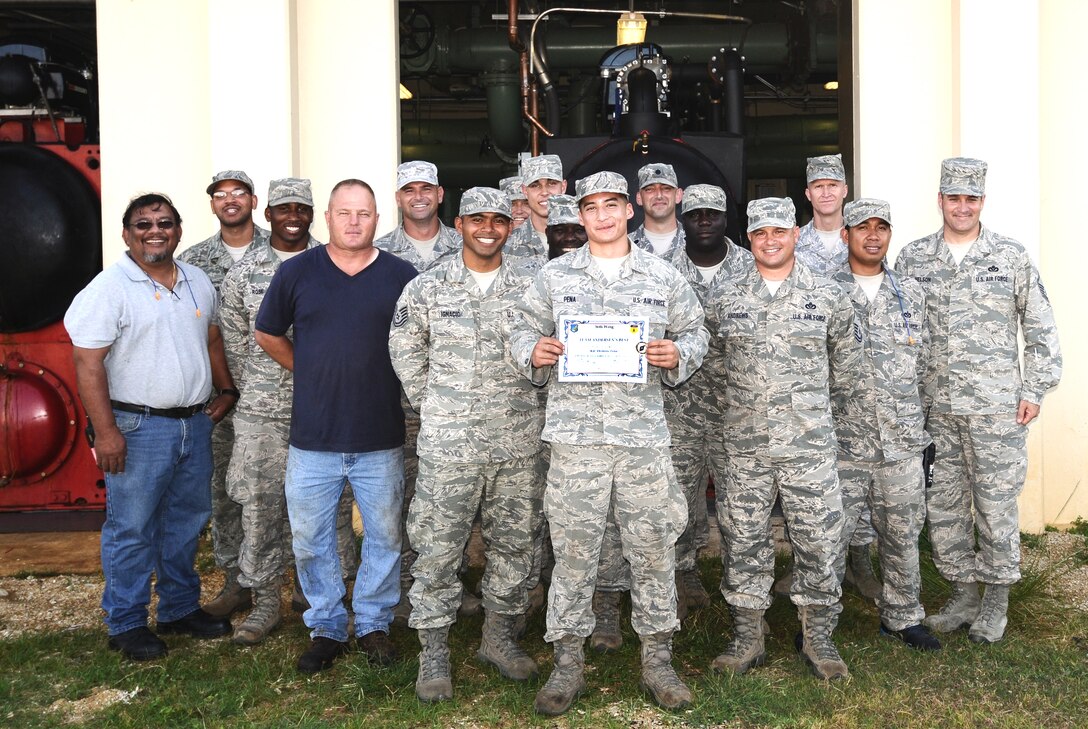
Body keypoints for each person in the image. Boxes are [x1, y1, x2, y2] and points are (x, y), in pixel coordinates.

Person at [511, 171, 708, 715]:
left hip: (642, 440)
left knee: (652, 550)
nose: (600, 215)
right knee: (573, 554)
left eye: (611, 205)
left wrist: (679, 356)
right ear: (580, 215)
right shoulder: (554, 277)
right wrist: (535, 350)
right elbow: (520, 329)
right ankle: (566, 665)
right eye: (590, 206)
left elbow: (696, 331)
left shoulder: (662, 277)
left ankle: (658, 662)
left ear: (629, 211)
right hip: (577, 443)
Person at [65, 193, 238, 661]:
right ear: (127, 234)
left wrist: (226, 392)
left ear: (179, 230)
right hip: (136, 428)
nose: (154, 231)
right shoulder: (109, 288)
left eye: (164, 222)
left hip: (192, 424)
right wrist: (107, 433)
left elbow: (212, 337)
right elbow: (87, 363)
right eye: (143, 224)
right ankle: (125, 622)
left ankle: (180, 608)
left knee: (185, 524)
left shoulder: (197, 280)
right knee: (133, 528)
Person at [895, 158, 1062, 644]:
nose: (962, 207)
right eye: (954, 197)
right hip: (934, 412)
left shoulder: (1008, 256)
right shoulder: (914, 259)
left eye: (971, 199)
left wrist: (1034, 389)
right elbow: (898, 333)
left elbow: (1040, 328)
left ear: (982, 203)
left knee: (995, 507)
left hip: (995, 410)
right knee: (944, 507)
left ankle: (995, 602)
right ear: (940, 201)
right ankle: (964, 592)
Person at [255, 179, 418, 673]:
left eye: (363, 213)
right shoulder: (297, 273)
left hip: (379, 436)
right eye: (344, 212)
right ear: (327, 216)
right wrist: (309, 368)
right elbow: (267, 332)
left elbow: (418, 339)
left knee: (386, 537)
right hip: (314, 438)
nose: (353, 222)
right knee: (311, 538)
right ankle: (326, 626)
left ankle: (372, 623)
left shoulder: (402, 275)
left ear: (376, 218)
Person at [389, 187, 545, 702]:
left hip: (517, 444)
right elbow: (405, 350)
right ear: (459, 224)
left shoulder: (533, 287)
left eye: (498, 220)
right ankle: (433, 652)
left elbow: (551, 352)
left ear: (509, 226)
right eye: (476, 219)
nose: (487, 228)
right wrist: (436, 406)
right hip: (449, 447)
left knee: (515, 545)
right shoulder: (427, 288)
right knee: (436, 549)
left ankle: (497, 639)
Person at [712, 197, 860, 681]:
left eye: (779, 231)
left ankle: (818, 637)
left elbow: (848, 369)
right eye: (760, 233)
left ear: (796, 234)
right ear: (749, 238)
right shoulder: (726, 298)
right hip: (746, 449)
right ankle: (748, 636)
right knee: (743, 541)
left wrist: (816, 418)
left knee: (819, 541)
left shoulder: (829, 294)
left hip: (809, 449)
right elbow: (712, 368)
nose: (770, 240)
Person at [218, 178, 356, 644]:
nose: (292, 215)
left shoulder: (334, 262)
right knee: (261, 505)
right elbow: (237, 340)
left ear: (314, 213)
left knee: (331, 510)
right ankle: (263, 603)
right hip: (264, 412)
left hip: (327, 408)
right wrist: (263, 384)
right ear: (268, 212)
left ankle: (323, 597)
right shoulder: (245, 272)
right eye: (283, 208)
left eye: (302, 207)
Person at [829, 198, 940, 651]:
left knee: (901, 533)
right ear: (845, 235)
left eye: (881, 227)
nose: (872, 235)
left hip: (901, 441)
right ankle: (820, 620)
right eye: (862, 228)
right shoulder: (822, 292)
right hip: (842, 442)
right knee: (829, 537)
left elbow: (927, 364)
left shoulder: (911, 293)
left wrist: (921, 428)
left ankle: (902, 616)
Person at [784, 153, 882, 602]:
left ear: (845, 190)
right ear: (808, 194)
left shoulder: (863, 236)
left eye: (833, 184)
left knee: (856, 464)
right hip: (801, 379)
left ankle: (858, 561)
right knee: (808, 476)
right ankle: (805, 562)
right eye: (817, 185)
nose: (825, 192)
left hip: (854, 374)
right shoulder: (788, 240)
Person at [178, 170, 270, 619]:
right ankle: (238, 582)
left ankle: (292, 581)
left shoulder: (292, 251)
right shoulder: (192, 263)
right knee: (226, 490)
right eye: (220, 195)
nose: (230, 200)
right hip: (219, 399)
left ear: (254, 200)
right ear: (212, 203)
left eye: (238, 193)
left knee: (291, 487)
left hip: (279, 399)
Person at [664, 184, 755, 612]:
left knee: (741, 504)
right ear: (683, 219)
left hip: (736, 410)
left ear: (726, 219)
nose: (704, 221)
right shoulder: (660, 271)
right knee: (679, 499)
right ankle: (683, 574)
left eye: (712, 214)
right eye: (695, 214)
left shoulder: (754, 269)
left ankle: (744, 588)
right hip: (678, 409)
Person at [374, 160, 461, 271]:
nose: (418, 197)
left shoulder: (464, 246)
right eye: (409, 191)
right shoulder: (379, 252)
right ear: (398, 199)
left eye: (426, 189)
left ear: (439, 194)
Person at [504, 154, 566, 264]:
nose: (544, 192)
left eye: (552, 183)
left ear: (563, 187)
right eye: (535, 185)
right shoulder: (506, 245)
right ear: (524, 191)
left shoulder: (586, 238)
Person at [630, 163, 685, 258]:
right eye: (649, 189)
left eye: (666, 188)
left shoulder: (697, 242)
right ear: (639, 198)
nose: (659, 195)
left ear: (678, 195)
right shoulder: (626, 246)